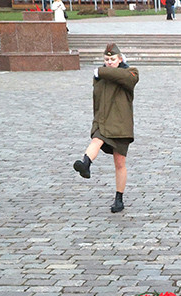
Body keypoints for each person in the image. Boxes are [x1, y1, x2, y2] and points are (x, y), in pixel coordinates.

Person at [73, 44, 139, 214]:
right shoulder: (99, 77)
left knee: (119, 163)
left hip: (121, 124)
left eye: (112, 59)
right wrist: (95, 121)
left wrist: (100, 71)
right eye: (106, 59)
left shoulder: (130, 72)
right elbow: (96, 100)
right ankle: (85, 164)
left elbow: (127, 78)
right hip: (103, 120)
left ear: (120, 59)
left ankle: (119, 198)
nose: (109, 62)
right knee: (97, 139)